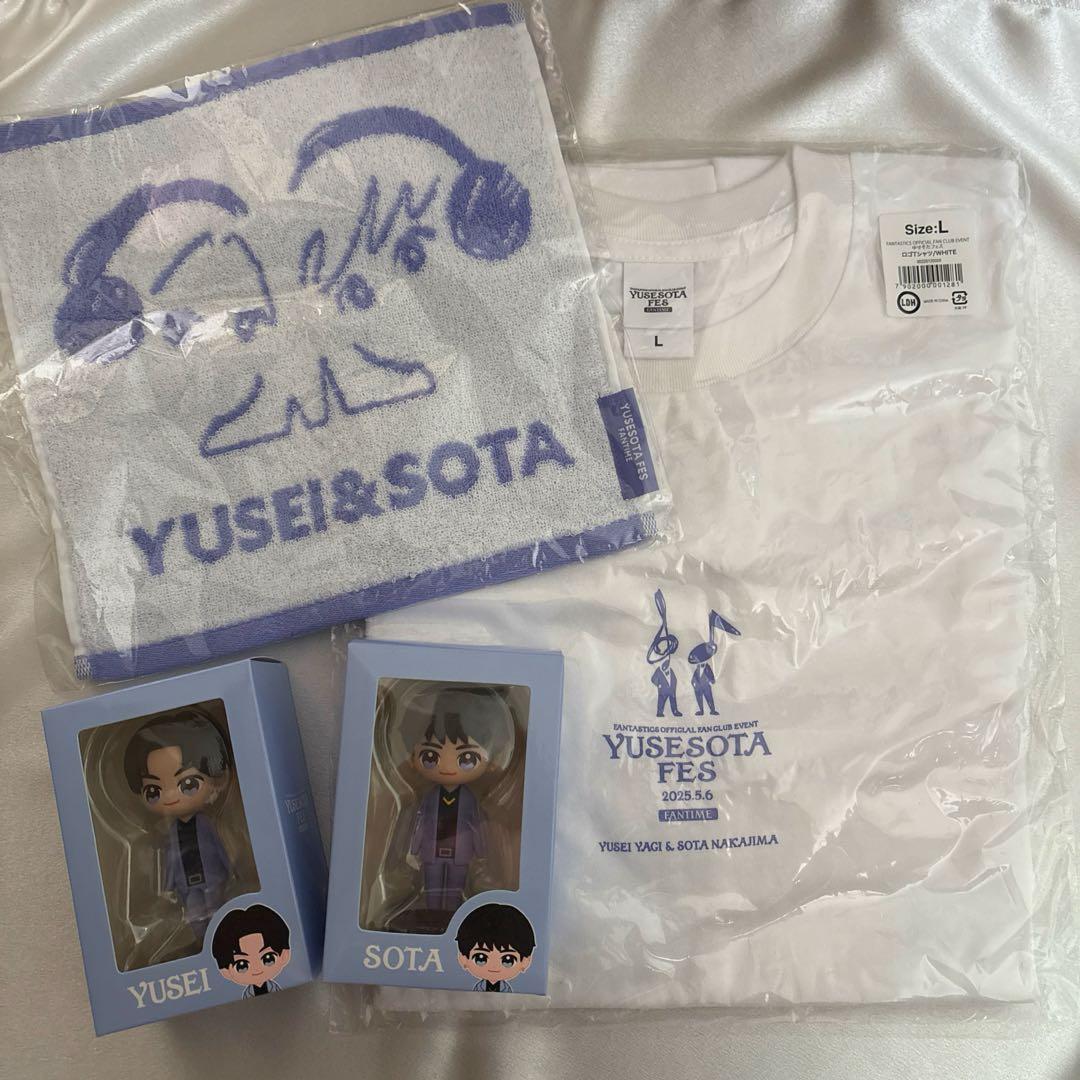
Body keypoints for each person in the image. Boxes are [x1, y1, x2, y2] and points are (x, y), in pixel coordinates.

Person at [123, 708, 233, 938]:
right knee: (194, 915)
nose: (171, 795)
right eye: (154, 791)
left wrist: (231, 870)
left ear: (215, 779)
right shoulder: (171, 830)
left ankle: (221, 938)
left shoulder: (205, 824)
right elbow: (170, 858)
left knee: (218, 911)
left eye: (188, 784)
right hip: (185, 885)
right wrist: (167, 886)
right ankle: (203, 943)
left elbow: (221, 847)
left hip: (212, 878)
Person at [408, 688, 507, 913]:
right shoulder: (430, 797)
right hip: (431, 851)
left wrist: (481, 852)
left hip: (461, 852)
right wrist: (412, 849)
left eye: (466, 758)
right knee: (431, 885)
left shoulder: (470, 799)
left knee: (456, 888)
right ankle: (433, 914)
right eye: (431, 756)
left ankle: (453, 917)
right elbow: (420, 820)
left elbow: (477, 824)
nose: (447, 767)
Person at [212, 904, 292, 998]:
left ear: (284, 955)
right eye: (242, 966)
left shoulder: (280, 988)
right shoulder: (246, 995)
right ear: (226, 972)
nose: (256, 969)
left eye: (268, 959)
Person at [455, 904, 535, 992]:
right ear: (463, 959)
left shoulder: (508, 990)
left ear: (525, 962)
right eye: (480, 958)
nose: (494, 967)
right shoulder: (476, 988)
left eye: (508, 960)